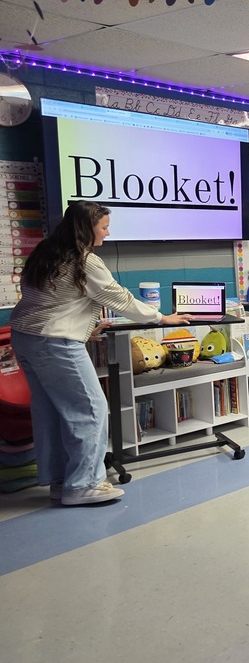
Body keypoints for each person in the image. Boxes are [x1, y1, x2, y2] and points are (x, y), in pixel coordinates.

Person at [9, 201, 192, 506]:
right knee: (91, 408)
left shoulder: (45, 252)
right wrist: (162, 318)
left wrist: (85, 327)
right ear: (86, 227)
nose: (108, 232)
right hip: (55, 342)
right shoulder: (85, 260)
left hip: (27, 338)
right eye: (104, 227)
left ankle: (61, 481)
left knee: (52, 411)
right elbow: (119, 297)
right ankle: (84, 484)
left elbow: (52, 300)